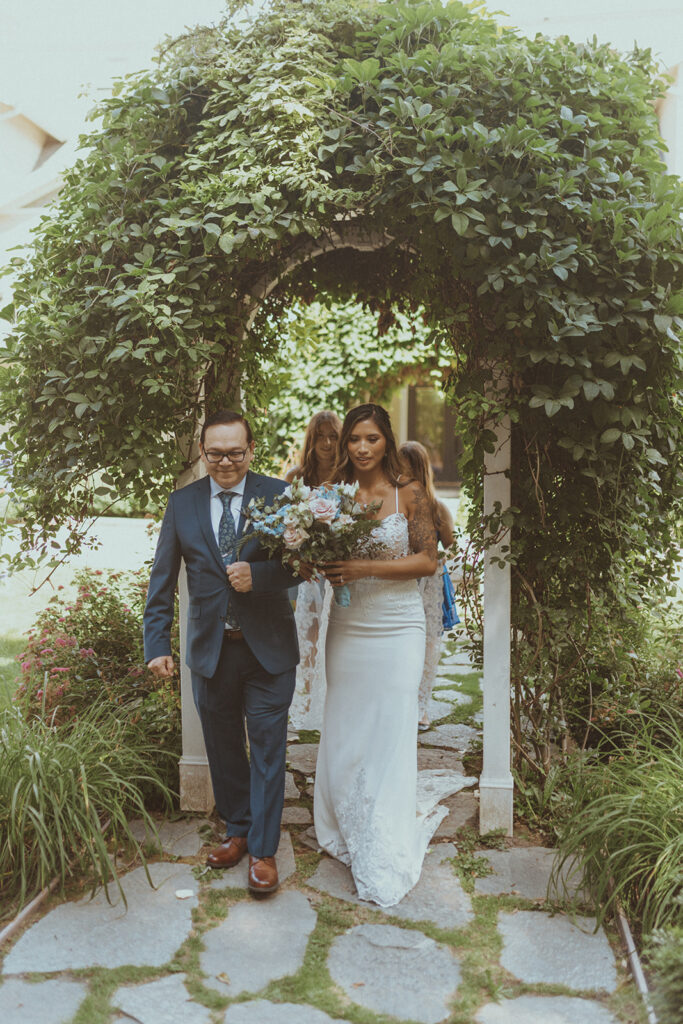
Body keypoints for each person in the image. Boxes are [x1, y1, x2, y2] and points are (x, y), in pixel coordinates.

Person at [314, 403, 467, 907]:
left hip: (398, 626)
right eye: (353, 439)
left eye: (371, 439)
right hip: (349, 625)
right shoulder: (331, 498)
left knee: (392, 723)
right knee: (347, 722)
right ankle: (346, 814)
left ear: (387, 441)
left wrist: (359, 568)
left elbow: (427, 560)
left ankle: (383, 823)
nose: (360, 448)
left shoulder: (412, 494)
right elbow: (315, 556)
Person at [143, 410, 299, 896]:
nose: (225, 462)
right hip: (211, 652)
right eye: (215, 454)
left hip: (269, 649)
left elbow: (303, 564)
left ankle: (265, 851)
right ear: (204, 453)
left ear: (252, 450)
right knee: (224, 749)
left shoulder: (278, 495)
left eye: (235, 452)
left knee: (269, 749)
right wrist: (156, 644)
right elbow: (162, 579)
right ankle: (237, 830)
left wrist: (263, 577)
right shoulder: (182, 503)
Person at [285, 411, 342, 731]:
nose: (327, 443)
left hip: (337, 567)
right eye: (321, 436)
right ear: (312, 439)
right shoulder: (297, 475)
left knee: (336, 633)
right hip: (304, 570)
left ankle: (332, 696)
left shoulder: (349, 476)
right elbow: (283, 521)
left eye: (333, 436)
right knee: (305, 633)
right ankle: (306, 695)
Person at [399, 441, 455, 731]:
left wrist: (438, 557)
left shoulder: (436, 508)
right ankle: (402, 701)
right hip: (401, 580)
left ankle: (422, 705)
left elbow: (451, 545)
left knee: (430, 645)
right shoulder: (392, 502)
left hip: (431, 584)